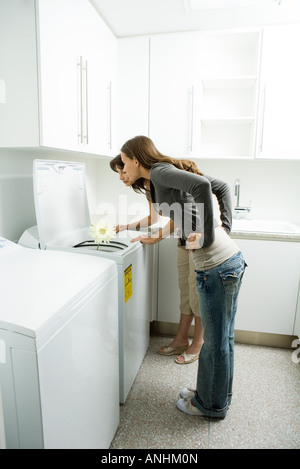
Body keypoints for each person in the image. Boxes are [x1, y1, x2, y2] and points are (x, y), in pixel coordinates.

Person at [120, 136, 247, 419]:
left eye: (124, 161)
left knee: (215, 342)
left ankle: (210, 406)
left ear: (135, 159)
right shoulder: (163, 174)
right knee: (222, 340)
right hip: (225, 263)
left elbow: (205, 186)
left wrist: (211, 234)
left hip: (217, 265)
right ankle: (211, 396)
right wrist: (217, 229)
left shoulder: (158, 171)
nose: (123, 166)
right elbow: (219, 188)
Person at [109, 154, 203, 364]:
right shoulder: (148, 186)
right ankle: (180, 338)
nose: (121, 176)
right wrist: (126, 226)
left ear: (135, 163)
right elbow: (154, 218)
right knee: (186, 291)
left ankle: (198, 342)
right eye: (119, 173)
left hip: (198, 238)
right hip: (182, 237)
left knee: (197, 292)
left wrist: (155, 238)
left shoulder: (163, 178)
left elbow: (181, 215)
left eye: (123, 170)